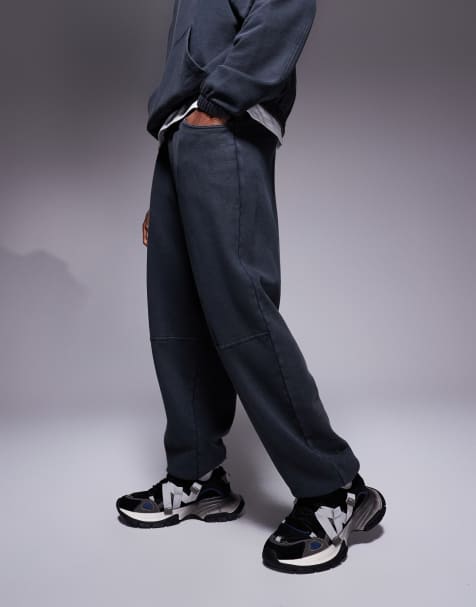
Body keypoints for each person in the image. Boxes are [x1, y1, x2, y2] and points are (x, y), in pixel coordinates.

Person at [116, 0, 386, 574]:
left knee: (244, 315)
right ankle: (197, 475)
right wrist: (174, 159)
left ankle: (334, 489)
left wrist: (219, 104)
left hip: (224, 127)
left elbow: (285, 8)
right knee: (176, 316)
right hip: (180, 138)